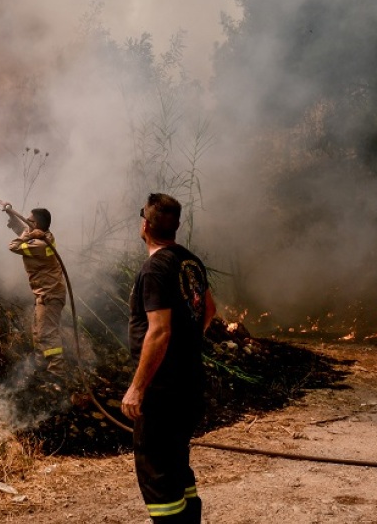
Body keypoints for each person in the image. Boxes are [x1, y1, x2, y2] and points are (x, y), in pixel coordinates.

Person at [122, 193, 216, 524]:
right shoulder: (190, 261)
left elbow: (159, 332)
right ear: (175, 227)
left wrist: (137, 388)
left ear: (145, 226)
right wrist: (187, 345)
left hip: (163, 392)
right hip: (190, 385)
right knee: (177, 464)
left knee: (157, 473)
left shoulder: (154, 269)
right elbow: (210, 309)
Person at [1, 202, 68, 380]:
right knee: (39, 331)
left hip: (49, 295)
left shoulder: (38, 244)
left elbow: (14, 246)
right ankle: (41, 365)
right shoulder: (45, 236)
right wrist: (11, 215)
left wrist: (24, 233)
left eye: (30, 220)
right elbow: (24, 231)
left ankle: (57, 374)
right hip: (46, 294)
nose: (27, 222)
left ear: (36, 226)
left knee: (48, 334)